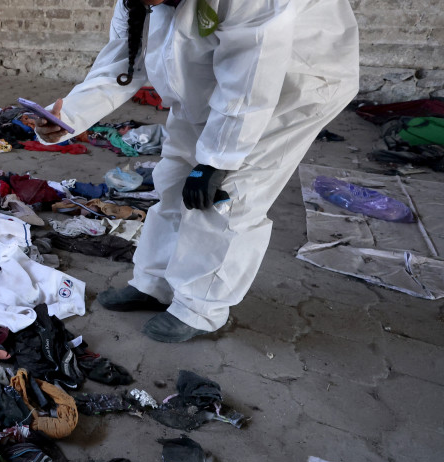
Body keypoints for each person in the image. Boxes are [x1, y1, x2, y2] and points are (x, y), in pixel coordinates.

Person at [29, 0, 359, 342]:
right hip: (210, 85)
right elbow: (122, 65)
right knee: (173, 180)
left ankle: (200, 308)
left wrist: (216, 160)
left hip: (292, 86)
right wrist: (66, 118)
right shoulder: (137, 2)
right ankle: (155, 283)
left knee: (226, 197)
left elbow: (253, 76)